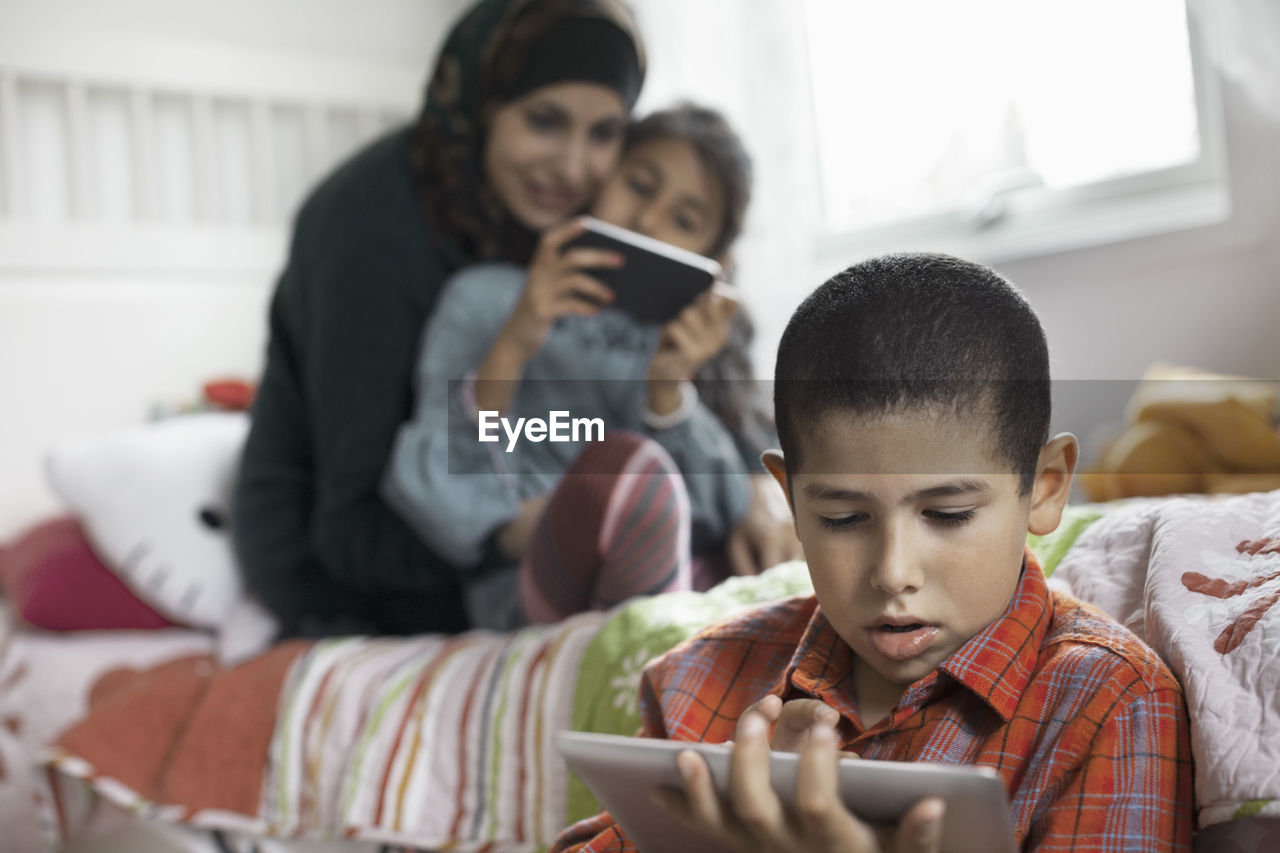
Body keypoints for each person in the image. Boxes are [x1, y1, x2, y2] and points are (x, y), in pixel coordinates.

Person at [552, 253, 1194, 852]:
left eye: (948, 515)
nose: (892, 573)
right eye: (843, 518)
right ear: (792, 499)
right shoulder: (696, 679)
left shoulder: (1106, 703)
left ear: (1046, 486)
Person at [231, 0, 647, 636]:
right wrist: (514, 536)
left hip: (504, 530)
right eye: (543, 120)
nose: (571, 168)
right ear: (482, 107)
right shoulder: (367, 219)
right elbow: (350, 527)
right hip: (334, 566)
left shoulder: (570, 224)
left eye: (604, 133)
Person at [383, 104, 770, 630]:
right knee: (624, 470)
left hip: (669, 570)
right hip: (534, 585)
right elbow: (430, 476)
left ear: (714, 260)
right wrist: (517, 338)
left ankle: (666, 639)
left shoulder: (688, 343)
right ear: (603, 176)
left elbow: (724, 514)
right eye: (639, 185)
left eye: (683, 220)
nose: (648, 220)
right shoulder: (486, 298)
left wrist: (667, 391)